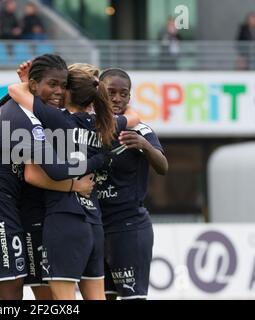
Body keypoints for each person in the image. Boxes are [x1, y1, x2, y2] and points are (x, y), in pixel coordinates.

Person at [0, 54, 111, 300]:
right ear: (34, 86)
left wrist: (27, 84)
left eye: (63, 85)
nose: (59, 91)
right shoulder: (29, 120)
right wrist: (86, 172)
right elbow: (54, 170)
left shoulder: (14, 105)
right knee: (10, 296)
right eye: (53, 85)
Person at [8, 62, 139, 300]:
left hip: (64, 219)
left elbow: (15, 90)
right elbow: (134, 116)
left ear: (68, 90)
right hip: (93, 222)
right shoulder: (104, 125)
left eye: (62, 86)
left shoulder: (57, 119)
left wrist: (31, 81)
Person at [99, 68, 168, 300]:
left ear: (130, 97)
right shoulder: (88, 127)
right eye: (111, 92)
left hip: (128, 227)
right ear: (99, 92)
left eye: (124, 93)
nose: (117, 98)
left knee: (132, 298)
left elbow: (163, 167)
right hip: (96, 227)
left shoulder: (140, 129)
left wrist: (145, 146)